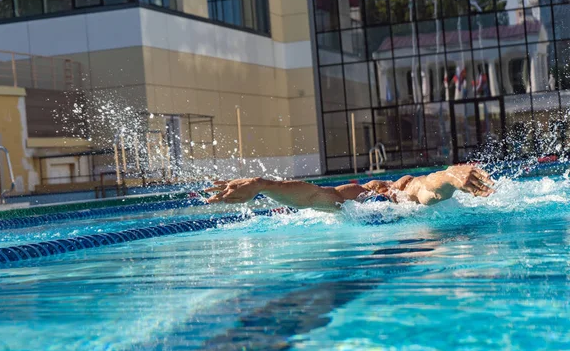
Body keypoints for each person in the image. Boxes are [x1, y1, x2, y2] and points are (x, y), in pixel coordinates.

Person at [205, 165, 495, 212]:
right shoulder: (362, 192)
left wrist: (448, 176)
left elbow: (426, 191)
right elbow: (316, 196)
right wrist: (262, 185)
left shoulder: (401, 188)